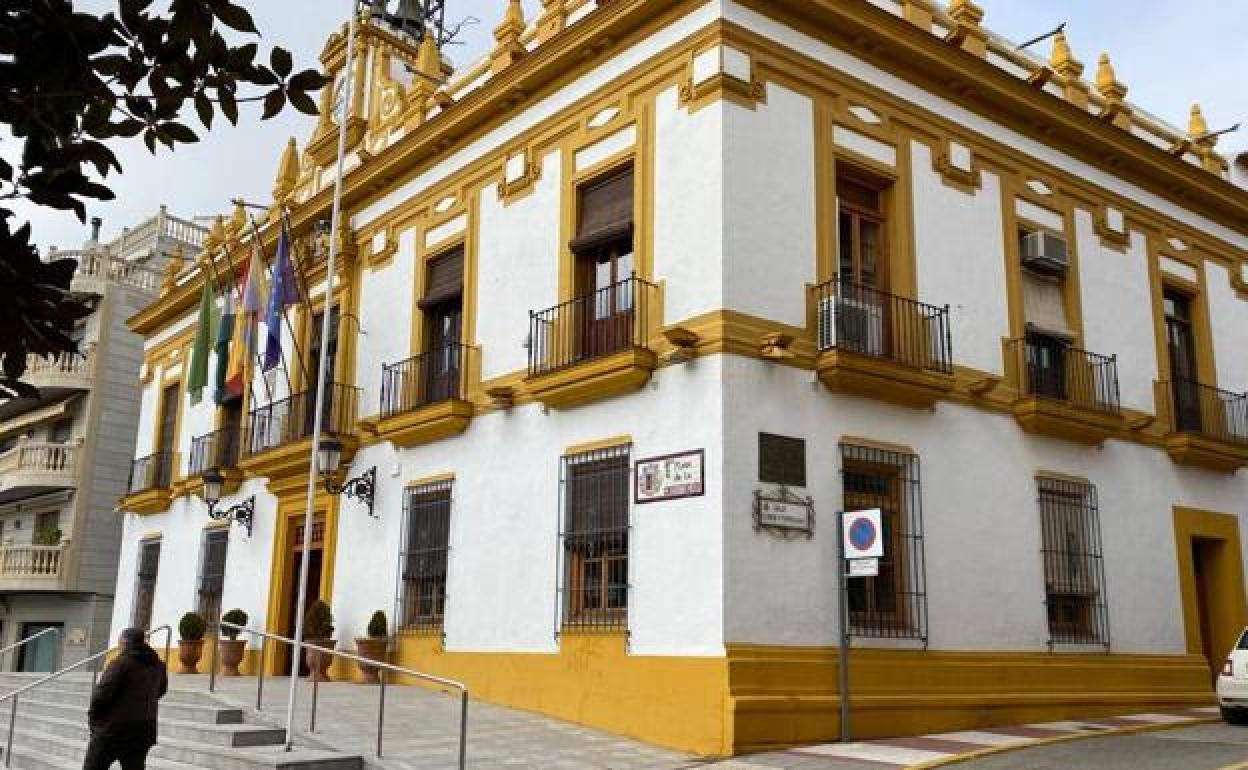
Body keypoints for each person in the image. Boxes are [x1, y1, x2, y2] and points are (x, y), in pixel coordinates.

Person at [83, 627, 167, 770]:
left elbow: (100, 696)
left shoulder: (121, 663)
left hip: (113, 731)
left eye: (119, 642)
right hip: (143, 730)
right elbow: (161, 690)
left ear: (124, 642)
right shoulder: (158, 665)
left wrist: (94, 721)